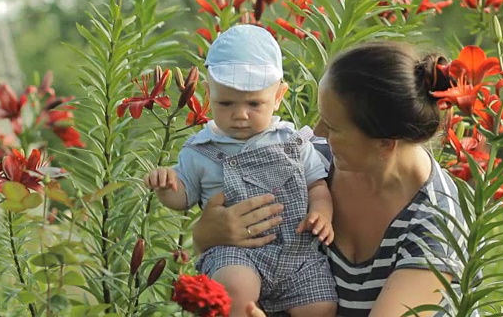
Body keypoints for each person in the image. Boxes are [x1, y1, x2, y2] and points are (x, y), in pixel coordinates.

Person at [192, 41, 469, 317]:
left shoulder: (436, 221)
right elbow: (229, 236)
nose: (316, 132)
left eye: (332, 126)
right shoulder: (313, 159)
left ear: (385, 144)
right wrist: (205, 235)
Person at [145, 24, 338, 317]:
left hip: (297, 256)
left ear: (278, 96)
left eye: (254, 103)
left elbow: (317, 186)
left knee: (321, 306)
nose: (240, 114)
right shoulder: (199, 150)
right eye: (226, 103)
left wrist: (323, 214)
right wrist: (166, 186)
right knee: (235, 288)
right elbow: (182, 199)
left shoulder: (293, 142)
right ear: (208, 94)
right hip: (235, 253)